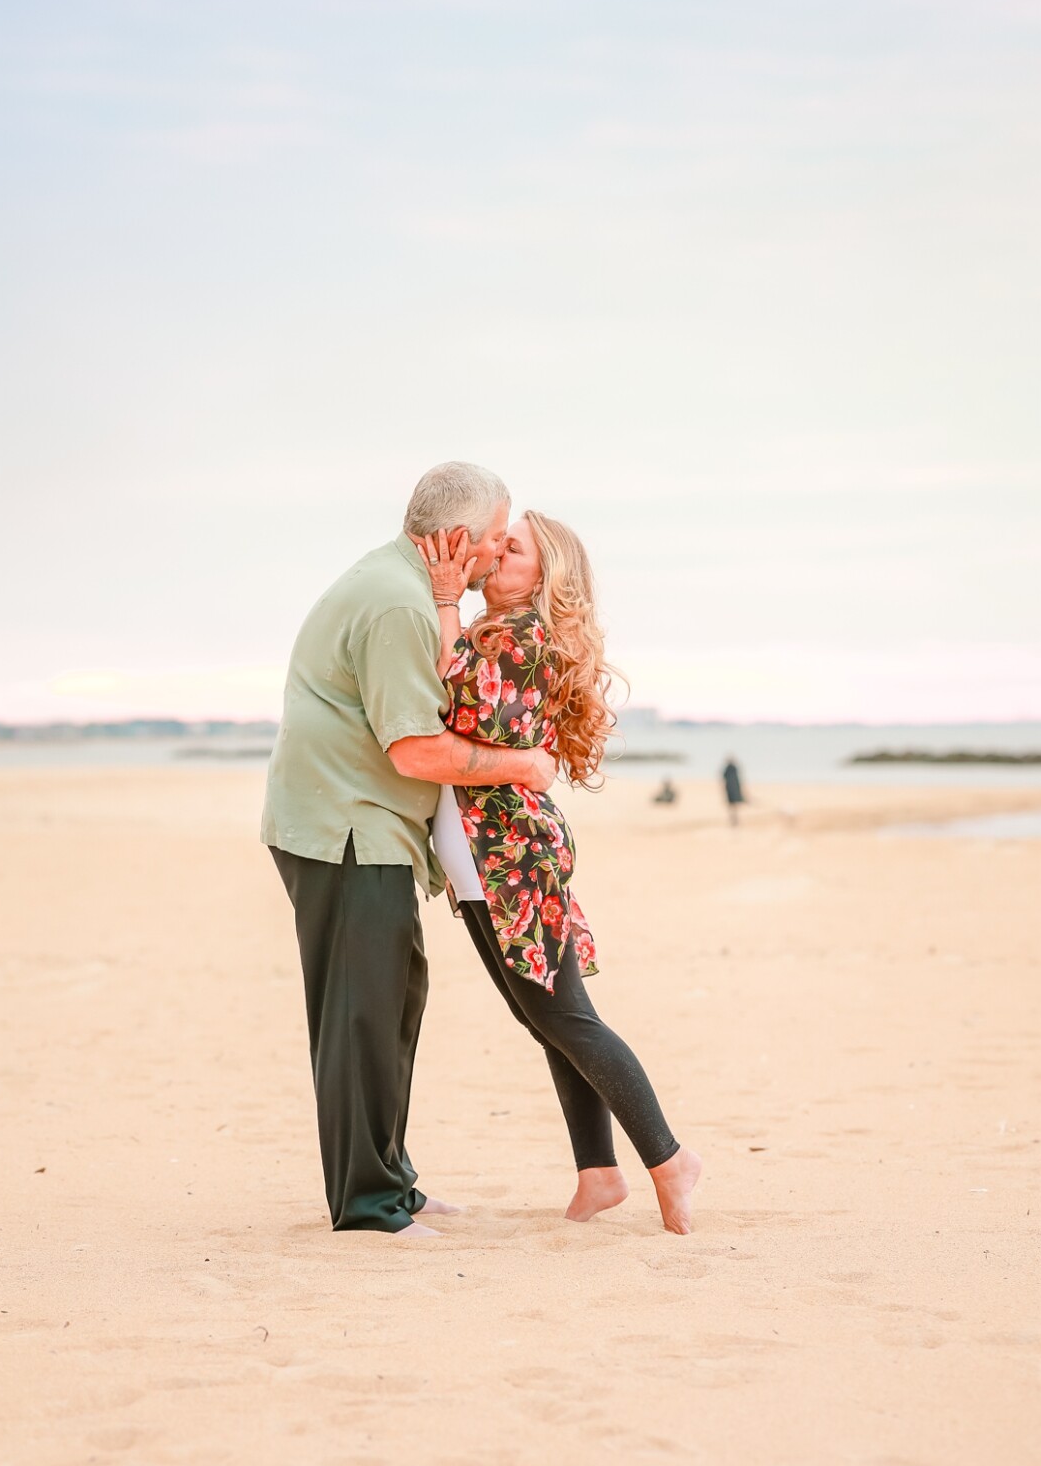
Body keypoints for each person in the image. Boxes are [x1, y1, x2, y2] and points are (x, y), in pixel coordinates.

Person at [261, 461, 559, 1237]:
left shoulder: (403, 589)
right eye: (495, 540)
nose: (498, 555)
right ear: (457, 539)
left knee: (393, 1000)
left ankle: (390, 1180)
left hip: (366, 828)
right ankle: (367, 1207)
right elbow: (416, 751)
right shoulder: (398, 606)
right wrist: (523, 765)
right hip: (346, 829)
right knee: (362, 1013)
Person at [420, 509, 701, 1234]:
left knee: (565, 1018)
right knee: (545, 1018)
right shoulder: (500, 633)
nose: (495, 553)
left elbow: (457, 703)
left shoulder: (524, 638)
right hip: (485, 862)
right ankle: (598, 1175)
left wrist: (447, 599)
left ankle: (669, 1160)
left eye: (512, 549)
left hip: (511, 859)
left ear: (544, 579)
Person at [722, 757, 745, 825]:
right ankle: (734, 820)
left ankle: (734, 820)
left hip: (732, 791)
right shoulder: (730, 769)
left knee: (733, 807)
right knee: (733, 807)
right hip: (732, 791)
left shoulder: (730, 769)